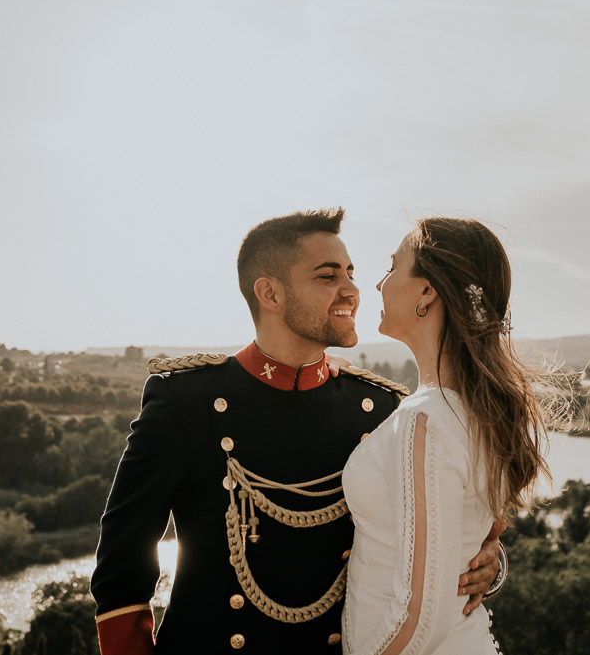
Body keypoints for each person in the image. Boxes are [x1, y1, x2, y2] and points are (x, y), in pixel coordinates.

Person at [91, 208, 504, 654]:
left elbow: (432, 531)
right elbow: (122, 567)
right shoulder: (185, 401)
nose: (353, 290)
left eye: (351, 273)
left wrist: (490, 565)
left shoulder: (381, 408)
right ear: (270, 293)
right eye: (328, 277)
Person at [342, 218, 557, 655]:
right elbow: (465, 538)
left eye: (392, 267)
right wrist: (491, 559)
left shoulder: (426, 420)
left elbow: (421, 620)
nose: (379, 284)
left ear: (427, 292)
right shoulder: (477, 410)